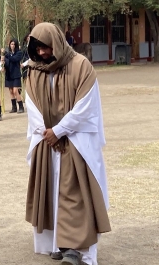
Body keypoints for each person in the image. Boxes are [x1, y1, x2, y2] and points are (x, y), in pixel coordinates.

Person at [25, 22, 111, 265]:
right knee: (50, 189)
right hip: (46, 142)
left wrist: (60, 131)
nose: (42, 53)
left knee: (73, 192)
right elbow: (31, 105)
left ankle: (74, 247)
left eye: (45, 48)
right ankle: (56, 243)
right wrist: (46, 132)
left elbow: (86, 106)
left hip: (75, 140)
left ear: (57, 43)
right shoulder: (34, 69)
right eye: (37, 49)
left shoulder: (81, 66)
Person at [1, 38, 24, 113]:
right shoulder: (7, 54)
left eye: (14, 44)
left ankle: (21, 106)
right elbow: (6, 63)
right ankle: (14, 107)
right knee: (11, 91)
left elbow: (14, 59)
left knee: (15, 91)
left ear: (16, 45)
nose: (12, 45)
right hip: (8, 74)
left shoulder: (19, 53)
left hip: (16, 74)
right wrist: (3, 65)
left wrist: (5, 54)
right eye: (11, 44)